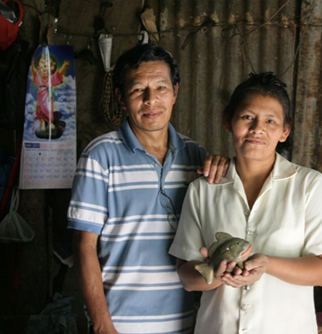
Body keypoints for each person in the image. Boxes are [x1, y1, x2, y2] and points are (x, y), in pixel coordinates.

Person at [169, 72, 322, 333]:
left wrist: (267, 264)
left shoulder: (308, 185)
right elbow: (186, 276)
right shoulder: (202, 190)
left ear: (285, 131)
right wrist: (215, 275)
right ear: (228, 121)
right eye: (247, 117)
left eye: (270, 120)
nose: (257, 129)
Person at [67, 43, 228, 334]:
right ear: (120, 97)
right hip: (120, 324)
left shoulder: (197, 157)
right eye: (138, 89)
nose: (151, 100)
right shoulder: (99, 156)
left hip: (185, 323)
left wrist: (226, 166)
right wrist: (103, 326)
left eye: (161, 88)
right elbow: (84, 247)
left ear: (175, 92)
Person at [31, 51, 70, 133]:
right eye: (41, 67)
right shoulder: (38, 78)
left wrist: (64, 66)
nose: (43, 70)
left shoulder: (51, 78)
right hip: (40, 98)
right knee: (40, 111)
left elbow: (59, 75)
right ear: (38, 68)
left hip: (47, 97)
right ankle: (42, 123)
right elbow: (34, 73)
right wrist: (32, 65)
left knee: (48, 110)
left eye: (46, 67)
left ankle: (50, 123)